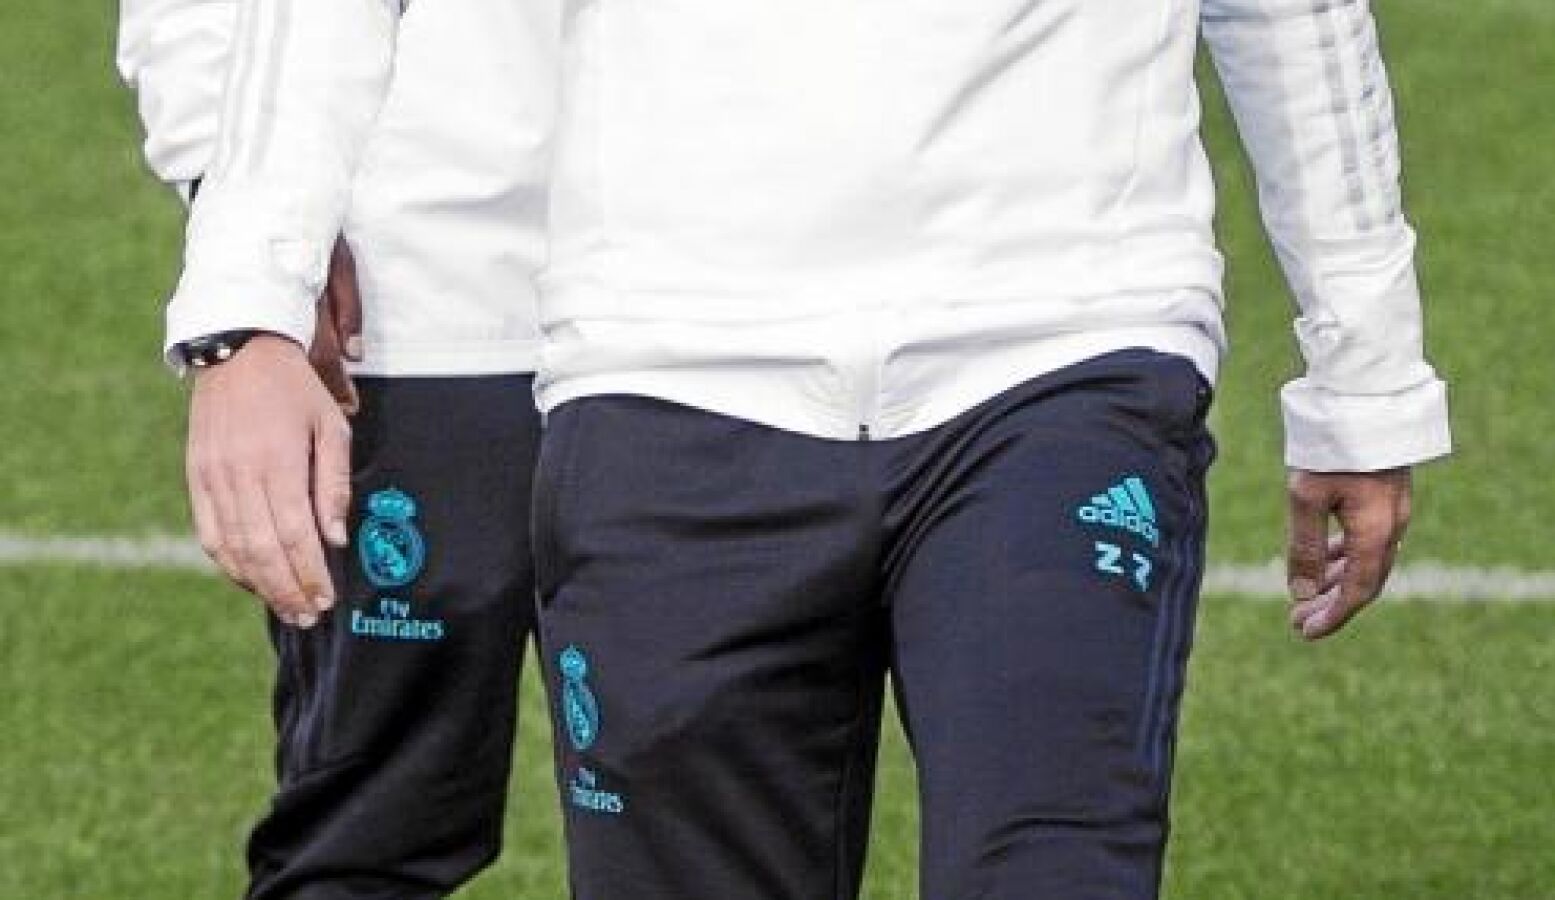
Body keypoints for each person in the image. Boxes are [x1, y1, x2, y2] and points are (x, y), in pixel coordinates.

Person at [163, 0, 1452, 897]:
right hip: (666, 367)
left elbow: (1293, 14)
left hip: (1058, 342)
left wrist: (1368, 373)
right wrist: (248, 308)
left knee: (1049, 865)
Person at [117, 0, 559, 895]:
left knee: (701, 814)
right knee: (375, 828)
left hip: (709, 333)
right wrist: (237, 211)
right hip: (412, 303)